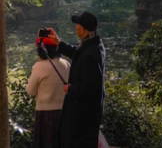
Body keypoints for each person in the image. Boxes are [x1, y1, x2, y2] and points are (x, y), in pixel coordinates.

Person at [47, 12, 105, 148]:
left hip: (83, 113)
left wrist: (70, 89)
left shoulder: (91, 54)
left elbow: (90, 86)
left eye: (77, 24)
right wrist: (58, 42)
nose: (75, 27)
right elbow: (78, 54)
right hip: (87, 110)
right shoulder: (93, 44)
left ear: (83, 30)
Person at [26, 36, 70, 148]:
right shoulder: (66, 64)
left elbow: (30, 91)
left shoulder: (39, 66)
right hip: (64, 113)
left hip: (45, 114)